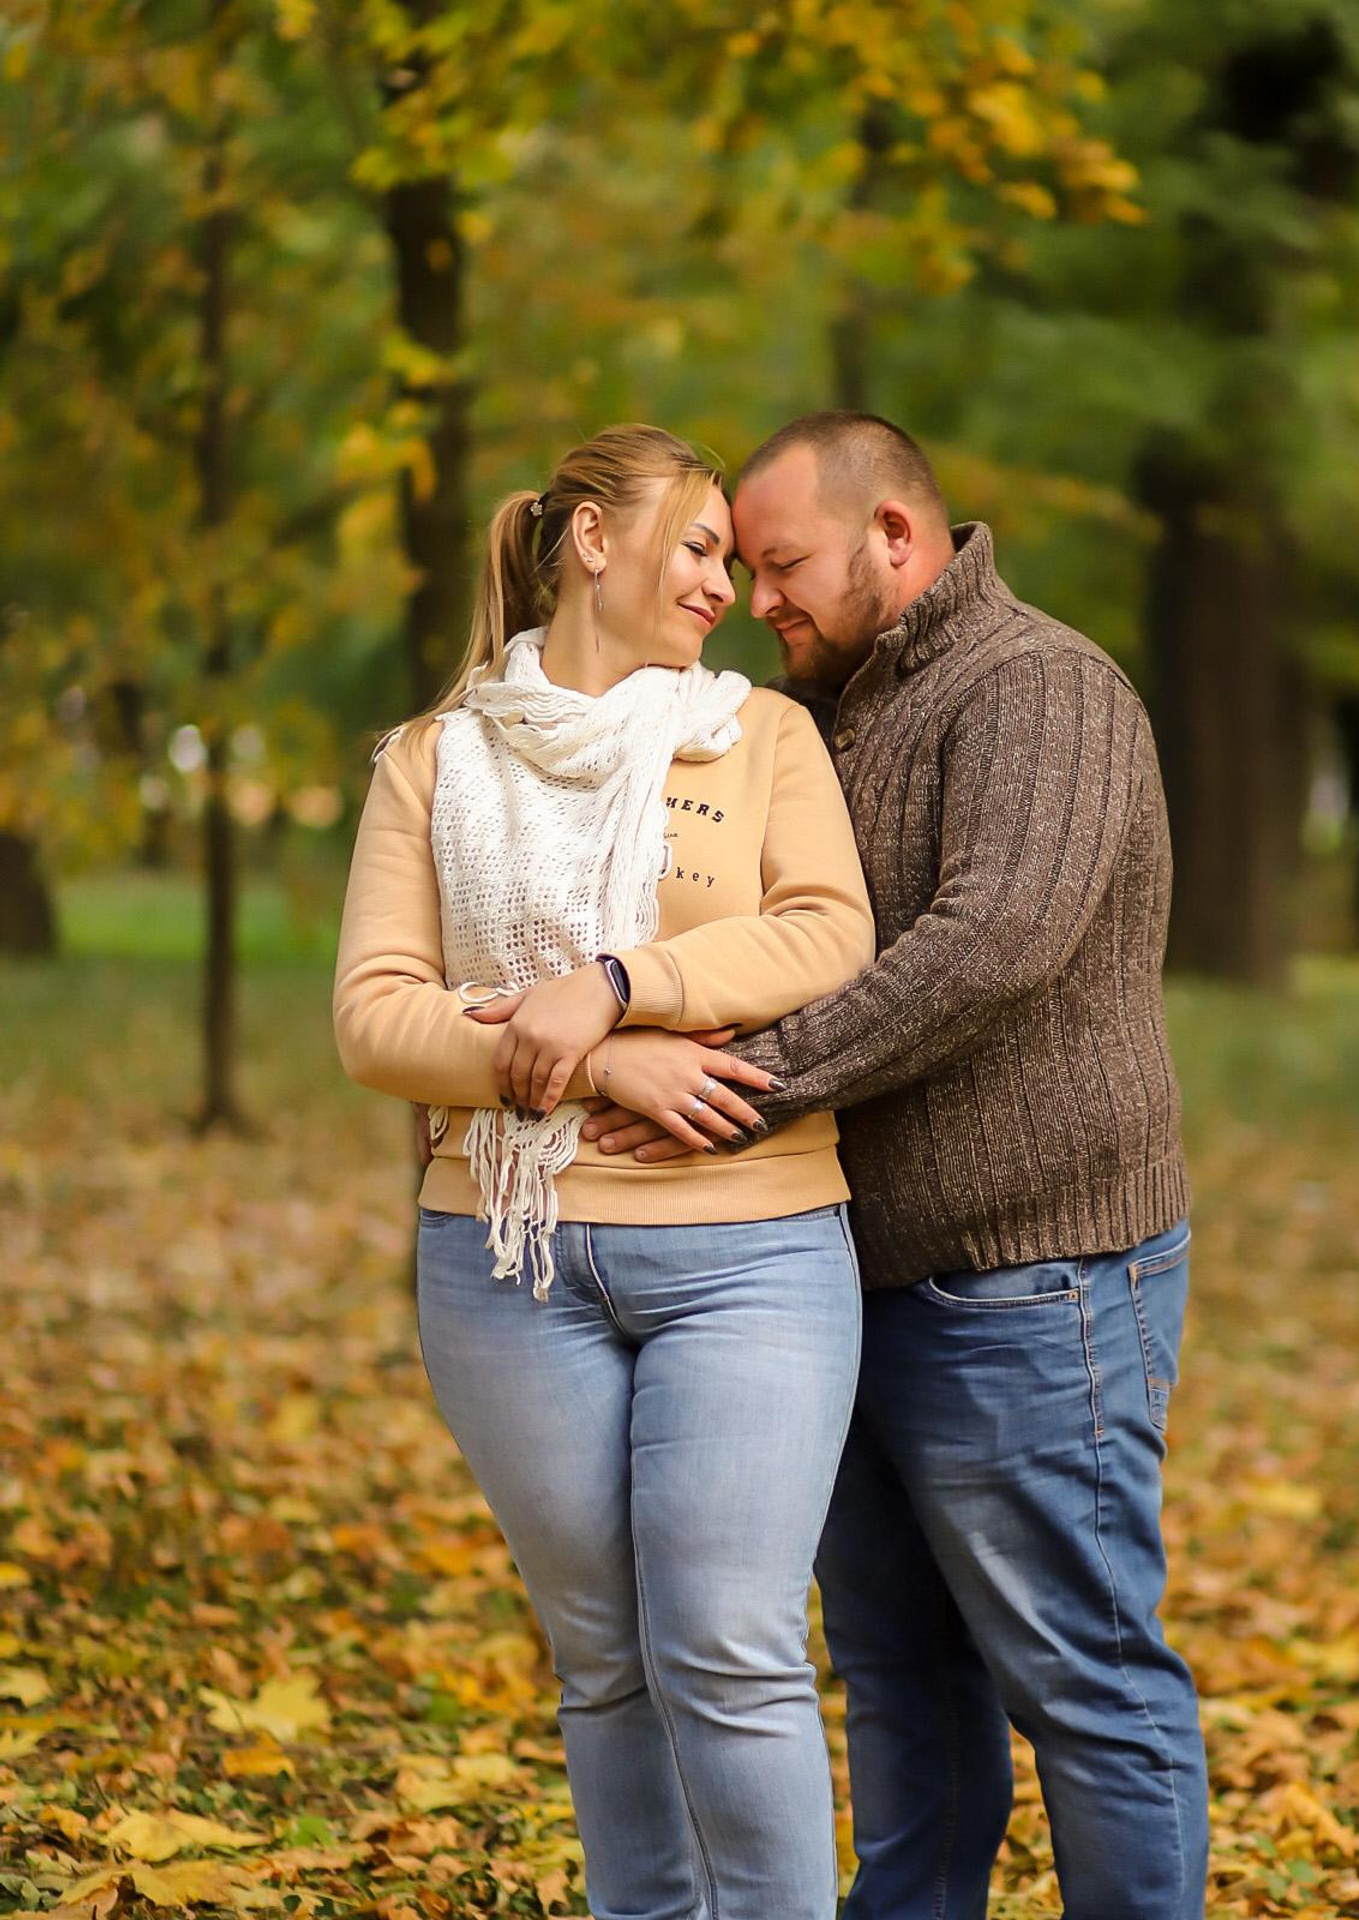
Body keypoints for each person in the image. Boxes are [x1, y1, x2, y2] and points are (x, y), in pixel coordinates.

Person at [584, 412, 1210, 1919]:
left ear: (897, 541)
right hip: (849, 1284)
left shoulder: (1040, 689)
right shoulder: (834, 711)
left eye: (783, 563)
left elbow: (991, 946)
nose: (759, 597)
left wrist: (747, 1080)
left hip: (1032, 1285)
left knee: (1084, 1678)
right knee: (901, 1687)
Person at [332, 423, 875, 1920]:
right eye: (698, 547)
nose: (726, 583)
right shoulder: (436, 762)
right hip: (508, 1268)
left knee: (724, 1639)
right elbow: (378, 1016)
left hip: (751, 1253)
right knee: (606, 1657)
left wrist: (615, 983)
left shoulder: (758, 737)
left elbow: (827, 934)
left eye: (732, 558)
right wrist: (606, 1060)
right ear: (590, 541)